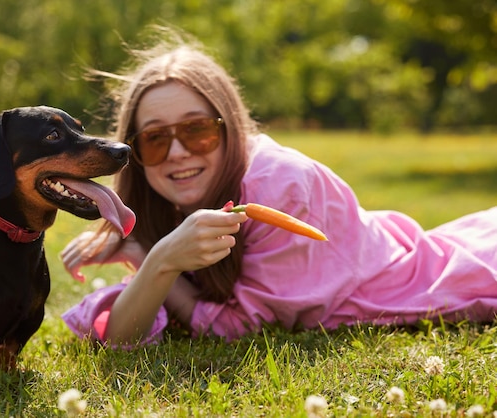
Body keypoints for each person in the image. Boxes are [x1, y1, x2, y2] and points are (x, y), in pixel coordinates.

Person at [60, 30, 497, 347]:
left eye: (197, 131)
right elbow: (120, 339)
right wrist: (147, 257)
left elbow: (242, 330)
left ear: (230, 128)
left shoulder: (279, 185)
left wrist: (162, 264)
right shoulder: (163, 199)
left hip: (419, 280)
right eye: (154, 139)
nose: (177, 152)